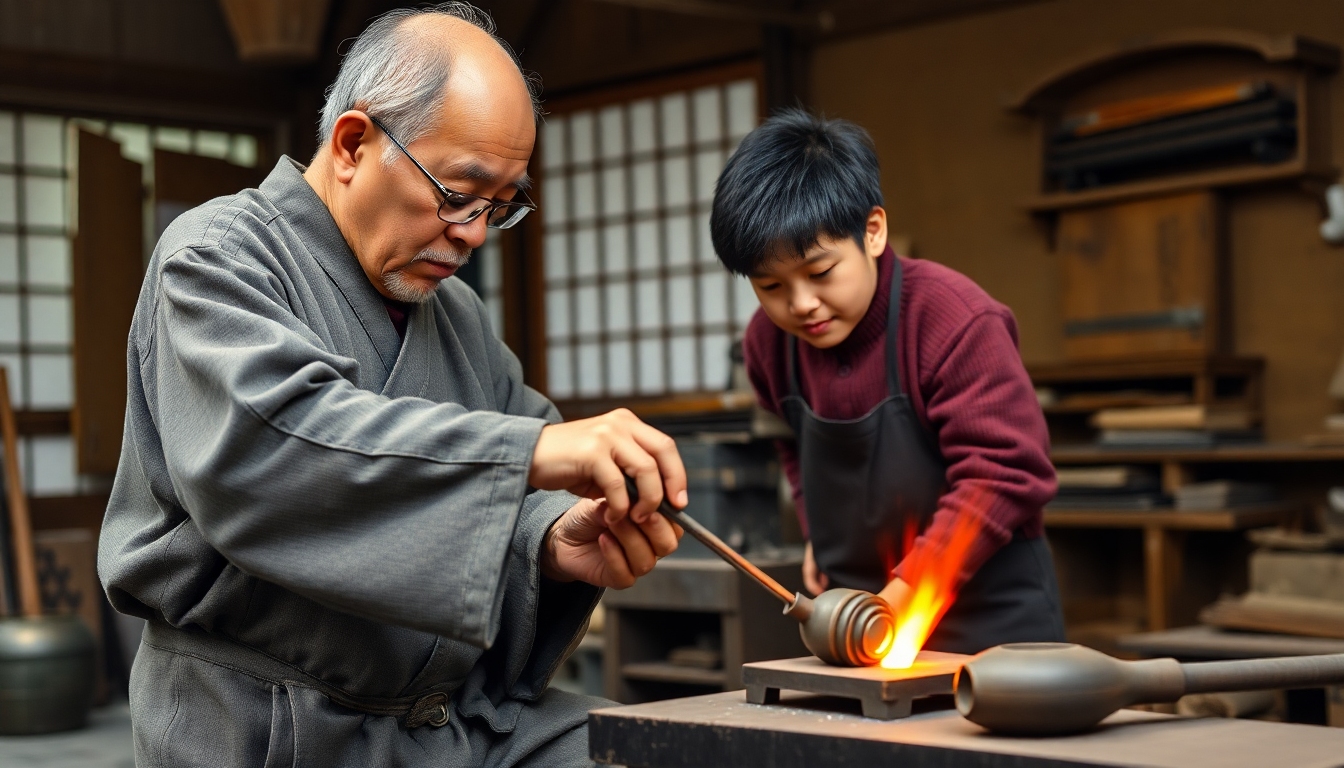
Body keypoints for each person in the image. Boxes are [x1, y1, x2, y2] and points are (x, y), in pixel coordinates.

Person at [98, 4, 685, 766]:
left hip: (446, 723)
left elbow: (527, 483)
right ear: (352, 143)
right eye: (457, 193)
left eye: (500, 206)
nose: (474, 231)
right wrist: (532, 454)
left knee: (659, 748)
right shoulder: (215, 260)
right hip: (271, 728)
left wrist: (552, 537)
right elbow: (278, 452)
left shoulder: (459, 317)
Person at [710, 110, 1066, 655]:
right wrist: (814, 531)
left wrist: (905, 594)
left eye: (821, 273)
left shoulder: (955, 320)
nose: (802, 304)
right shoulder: (766, 343)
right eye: (771, 285)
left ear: (872, 231)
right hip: (855, 615)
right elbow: (790, 445)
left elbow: (1003, 472)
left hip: (991, 615)